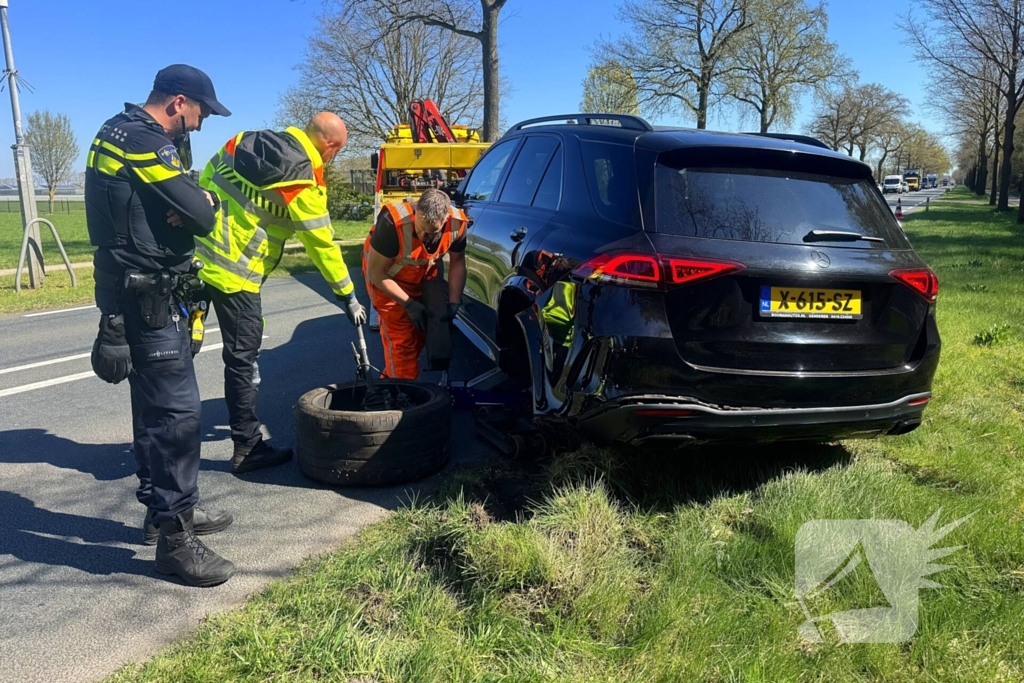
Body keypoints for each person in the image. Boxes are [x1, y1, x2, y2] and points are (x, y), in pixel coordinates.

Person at [86, 64, 235, 587]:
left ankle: (162, 515)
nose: (199, 126)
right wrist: (204, 202)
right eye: (199, 114)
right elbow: (200, 212)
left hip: (128, 292)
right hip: (149, 295)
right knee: (179, 415)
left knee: (152, 408)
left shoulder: (113, 130)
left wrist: (183, 205)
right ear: (177, 101)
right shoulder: (146, 142)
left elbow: (164, 208)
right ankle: (175, 539)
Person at [193, 112, 367, 473]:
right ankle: (248, 448)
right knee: (243, 361)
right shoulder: (302, 178)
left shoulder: (245, 139)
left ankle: (166, 441)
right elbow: (321, 243)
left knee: (177, 354)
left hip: (195, 258)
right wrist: (348, 295)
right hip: (236, 274)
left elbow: (206, 181)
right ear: (330, 146)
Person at [362, 188, 468, 379]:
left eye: (430, 233)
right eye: (419, 228)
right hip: (386, 279)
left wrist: (454, 301)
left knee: (421, 331)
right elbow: (376, 272)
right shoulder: (391, 223)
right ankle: (402, 395)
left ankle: (392, 380)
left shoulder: (457, 224)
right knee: (402, 339)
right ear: (417, 211)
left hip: (422, 276)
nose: (422, 236)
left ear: (445, 220)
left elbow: (458, 262)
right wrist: (409, 304)